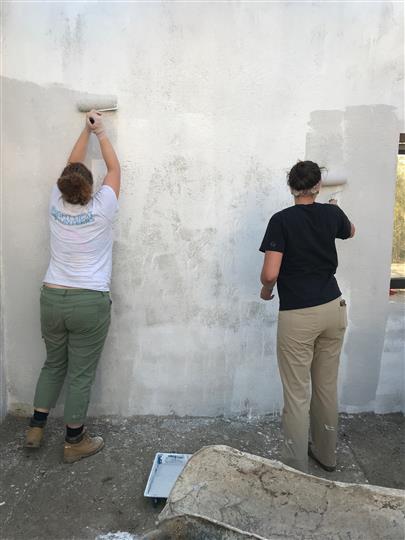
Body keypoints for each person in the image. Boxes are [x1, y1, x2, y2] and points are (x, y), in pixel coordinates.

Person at [24, 110, 121, 463]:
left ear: (63, 187)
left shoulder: (55, 203)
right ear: (90, 189)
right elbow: (114, 170)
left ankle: (36, 427)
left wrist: (84, 130)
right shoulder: (102, 209)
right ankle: (74, 441)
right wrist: (102, 133)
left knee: (53, 364)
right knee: (80, 372)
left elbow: (71, 164)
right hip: (87, 302)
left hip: (52, 296)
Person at [259, 160, 355, 473]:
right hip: (333, 308)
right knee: (326, 387)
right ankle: (327, 457)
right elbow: (351, 231)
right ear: (317, 186)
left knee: (297, 393)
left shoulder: (282, 220)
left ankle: (296, 467)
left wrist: (265, 291)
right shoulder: (332, 213)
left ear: (291, 187)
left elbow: (270, 272)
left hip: (298, 315)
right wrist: (334, 208)